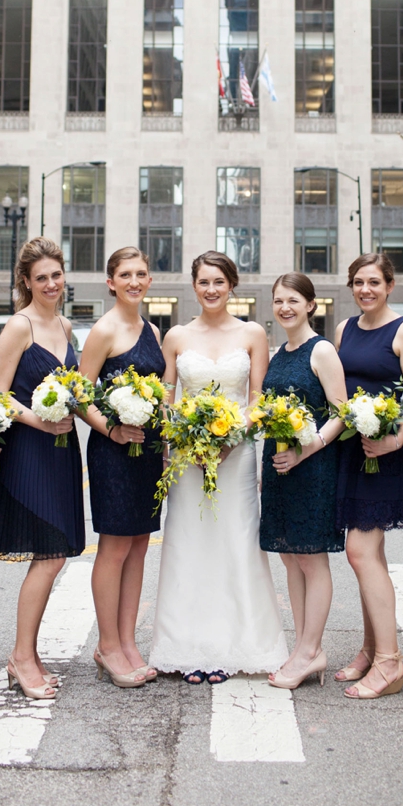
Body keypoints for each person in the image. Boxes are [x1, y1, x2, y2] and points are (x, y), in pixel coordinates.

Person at [150, 250, 287, 683]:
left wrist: (231, 437)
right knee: (189, 542)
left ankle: (239, 643)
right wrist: (185, 441)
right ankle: (186, 646)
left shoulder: (252, 334)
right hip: (189, 458)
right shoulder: (175, 336)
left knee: (236, 541)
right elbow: (166, 401)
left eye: (219, 282)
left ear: (232, 285)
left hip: (237, 455)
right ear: (194, 286)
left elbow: (258, 399)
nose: (211, 290)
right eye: (204, 282)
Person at [0, 237, 85, 700]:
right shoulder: (18, 327)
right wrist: (38, 420)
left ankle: (27, 653)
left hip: (64, 449)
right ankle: (20, 658)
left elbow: (78, 389)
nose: (50, 284)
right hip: (31, 449)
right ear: (26, 282)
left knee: (56, 554)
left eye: (56, 275)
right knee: (47, 557)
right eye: (41, 277)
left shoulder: (65, 325)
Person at [333, 253, 403, 700]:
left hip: (386, 452)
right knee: (372, 554)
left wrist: (395, 440)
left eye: (373, 282)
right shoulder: (344, 330)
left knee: (359, 550)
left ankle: (390, 661)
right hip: (354, 450)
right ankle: (371, 649)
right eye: (358, 282)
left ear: (390, 285)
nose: (365, 289)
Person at [79, 247, 165, 689]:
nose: (135, 281)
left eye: (141, 274)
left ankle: (129, 641)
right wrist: (111, 432)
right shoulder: (104, 330)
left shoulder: (151, 328)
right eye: (125, 275)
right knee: (114, 548)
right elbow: (79, 394)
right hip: (114, 453)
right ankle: (108, 645)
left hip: (149, 452)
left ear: (149, 280)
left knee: (138, 546)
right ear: (110, 282)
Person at [259, 273, 347, 691]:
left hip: (311, 466)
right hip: (278, 465)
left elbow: (341, 413)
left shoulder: (322, 350)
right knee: (289, 556)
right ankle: (302, 648)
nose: (285, 308)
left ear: (311, 305)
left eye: (293, 300)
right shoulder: (279, 353)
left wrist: (304, 450)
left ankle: (312, 650)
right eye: (278, 301)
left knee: (312, 558)